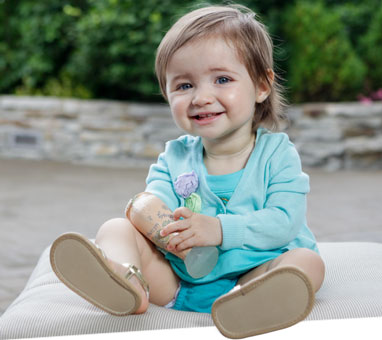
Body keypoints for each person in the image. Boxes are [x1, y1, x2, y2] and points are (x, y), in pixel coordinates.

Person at [47, 5, 325, 339]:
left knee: (307, 262)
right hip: (179, 281)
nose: (202, 97)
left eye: (222, 79)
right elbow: (154, 208)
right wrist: (156, 223)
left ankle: (252, 305)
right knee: (115, 228)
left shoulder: (277, 154)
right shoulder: (174, 156)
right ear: (166, 94)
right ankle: (128, 281)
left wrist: (220, 229)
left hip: (252, 275)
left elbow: (285, 221)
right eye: (184, 86)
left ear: (262, 86)